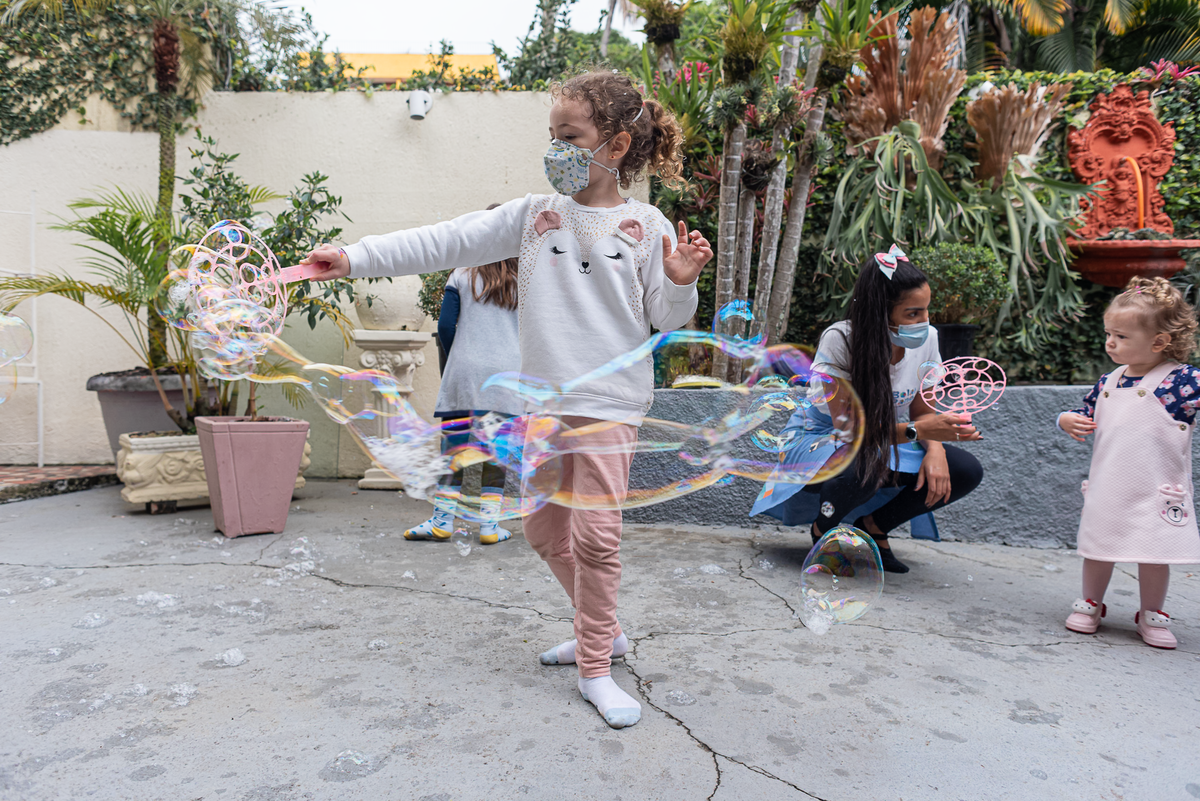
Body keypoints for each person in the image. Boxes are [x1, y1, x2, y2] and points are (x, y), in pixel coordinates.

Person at [301, 70, 712, 728]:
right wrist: (353, 257)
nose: (555, 147)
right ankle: (602, 630)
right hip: (543, 406)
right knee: (545, 529)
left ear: (616, 143)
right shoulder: (533, 217)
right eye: (552, 135)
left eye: (569, 135)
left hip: (609, 405)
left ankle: (596, 668)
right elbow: (447, 239)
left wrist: (682, 282)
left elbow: (665, 316)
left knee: (597, 537)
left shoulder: (645, 223)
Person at [751, 248, 984, 573]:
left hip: (880, 439)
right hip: (821, 440)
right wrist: (922, 432)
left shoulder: (927, 339)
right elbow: (849, 431)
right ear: (880, 312)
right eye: (913, 314)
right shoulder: (841, 340)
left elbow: (922, 409)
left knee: (965, 471)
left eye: (926, 311)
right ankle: (824, 532)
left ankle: (873, 527)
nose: (924, 322)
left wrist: (936, 448)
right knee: (862, 463)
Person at [1058, 277, 1200, 649]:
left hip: (1156, 488)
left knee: (1155, 553)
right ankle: (1091, 602)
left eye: (1121, 336)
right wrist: (1066, 419)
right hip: (1110, 484)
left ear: (1159, 342)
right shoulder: (1109, 381)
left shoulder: (1182, 381)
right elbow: (1083, 411)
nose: (1110, 342)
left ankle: (1152, 612)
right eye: (1109, 333)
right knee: (1098, 547)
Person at [404, 242, 523, 545]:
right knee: (497, 452)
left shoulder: (462, 274)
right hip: (507, 375)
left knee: (454, 447)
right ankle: (489, 526)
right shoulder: (526, 281)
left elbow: (445, 326)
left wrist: (458, 357)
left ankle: (442, 521)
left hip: (464, 371)